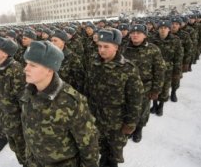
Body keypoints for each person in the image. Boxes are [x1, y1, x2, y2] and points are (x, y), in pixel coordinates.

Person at [20, 41, 99, 167]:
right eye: (26, 63)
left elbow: (89, 146)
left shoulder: (71, 102)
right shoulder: (29, 91)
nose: (25, 69)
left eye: (33, 65)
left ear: (49, 70)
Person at [86, 29, 143, 166]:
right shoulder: (94, 63)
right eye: (99, 46)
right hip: (96, 118)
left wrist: (130, 123)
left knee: (113, 154)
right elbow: (87, 89)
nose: (101, 50)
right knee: (99, 148)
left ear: (116, 47)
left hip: (116, 123)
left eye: (106, 46)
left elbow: (135, 99)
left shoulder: (128, 68)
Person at [123, 24, 165, 143]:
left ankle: (139, 129)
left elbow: (159, 70)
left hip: (145, 87)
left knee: (142, 111)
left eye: (138, 33)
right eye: (133, 33)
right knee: (128, 109)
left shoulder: (153, 49)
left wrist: (156, 90)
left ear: (145, 35)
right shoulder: (125, 48)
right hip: (127, 87)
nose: (135, 35)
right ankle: (130, 128)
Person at [0, 37, 26, 162]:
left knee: (23, 151)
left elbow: (23, 101)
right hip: (4, 117)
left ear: (5, 53)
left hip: (17, 122)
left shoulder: (16, 70)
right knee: (14, 148)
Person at [150, 21, 183, 116]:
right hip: (154, 68)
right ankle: (154, 104)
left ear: (169, 29)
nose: (163, 29)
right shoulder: (152, 39)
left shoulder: (175, 40)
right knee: (154, 87)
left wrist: (177, 72)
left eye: (165, 28)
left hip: (168, 69)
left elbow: (178, 57)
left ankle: (161, 106)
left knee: (165, 88)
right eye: (161, 28)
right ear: (158, 29)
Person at [51, 29, 85, 95]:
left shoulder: (72, 57)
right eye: (51, 40)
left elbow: (79, 80)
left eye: (55, 40)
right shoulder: (48, 55)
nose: (52, 43)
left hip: (66, 94)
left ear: (63, 42)